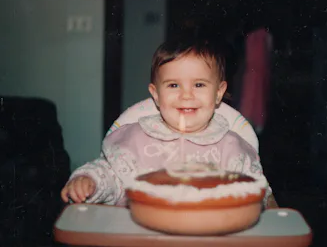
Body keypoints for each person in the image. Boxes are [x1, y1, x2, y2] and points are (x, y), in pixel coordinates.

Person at [61, 36, 278, 208]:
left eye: (199, 85)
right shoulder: (136, 139)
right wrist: (89, 182)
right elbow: (112, 176)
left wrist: (267, 204)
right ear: (155, 95)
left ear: (219, 92)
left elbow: (257, 191)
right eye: (173, 85)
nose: (186, 95)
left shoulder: (232, 147)